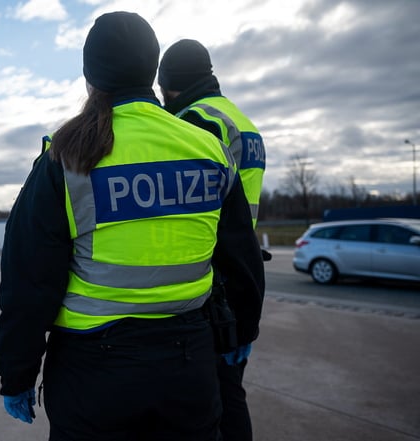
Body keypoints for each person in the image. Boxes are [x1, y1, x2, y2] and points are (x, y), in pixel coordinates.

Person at [0, 11, 265, 441]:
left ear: (89, 77)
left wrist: (17, 372)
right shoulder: (209, 148)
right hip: (189, 365)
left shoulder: (65, 157)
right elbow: (241, 257)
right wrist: (243, 328)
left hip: (93, 376)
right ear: (151, 70)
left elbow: (28, 281)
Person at [159, 38, 267, 441]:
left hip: (215, 276)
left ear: (169, 82)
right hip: (243, 265)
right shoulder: (243, 121)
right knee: (230, 387)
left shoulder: (196, 121)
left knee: (217, 399)